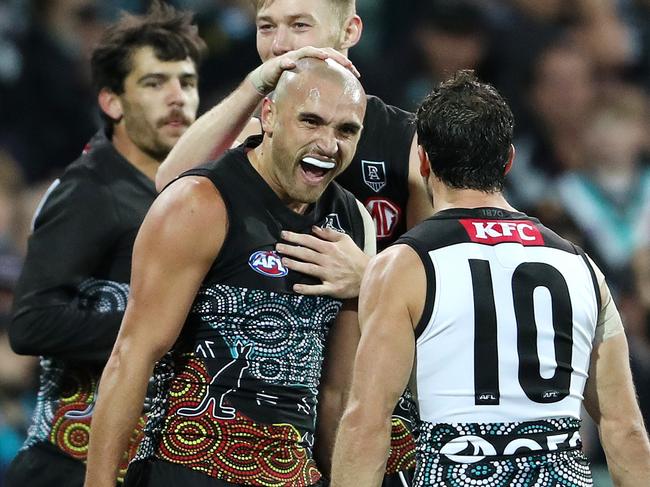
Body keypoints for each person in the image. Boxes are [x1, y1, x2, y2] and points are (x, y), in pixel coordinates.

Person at [330, 70, 650, 486]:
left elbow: (366, 422)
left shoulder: (404, 266)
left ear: (424, 160)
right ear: (509, 159)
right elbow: (623, 428)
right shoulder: (582, 267)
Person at [154, 2, 429, 482]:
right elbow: (171, 188)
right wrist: (253, 88)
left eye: (299, 25)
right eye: (267, 27)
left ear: (350, 30)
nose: (279, 44)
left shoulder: (407, 140)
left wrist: (370, 278)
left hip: (366, 386)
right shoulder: (255, 121)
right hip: (247, 401)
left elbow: (452, 283)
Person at [83, 57, 375, 487]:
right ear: (269, 116)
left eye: (346, 130)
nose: (328, 144)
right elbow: (132, 355)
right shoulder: (199, 203)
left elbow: (340, 392)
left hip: (293, 475)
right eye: (311, 122)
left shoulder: (353, 224)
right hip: (187, 469)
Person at [6, 3, 205, 486]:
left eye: (187, 81)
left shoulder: (180, 194)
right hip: (68, 465)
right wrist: (152, 329)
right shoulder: (91, 191)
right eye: (155, 83)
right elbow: (31, 323)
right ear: (112, 103)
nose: (177, 98)